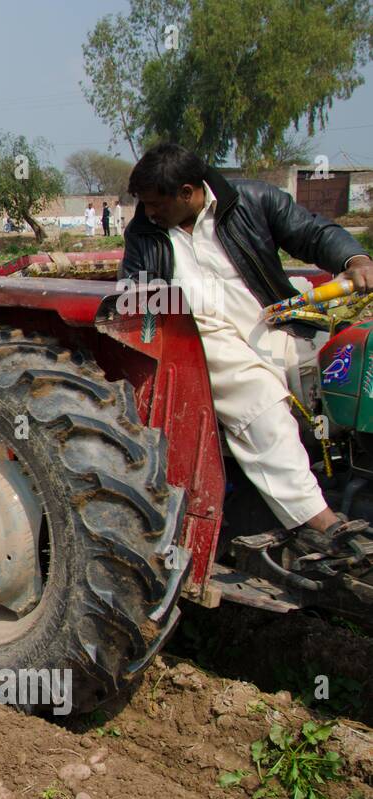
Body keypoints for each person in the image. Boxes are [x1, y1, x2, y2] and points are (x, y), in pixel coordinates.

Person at [122, 142, 373, 554]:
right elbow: (134, 297)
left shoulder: (253, 201)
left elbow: (311, 232)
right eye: (145, 204)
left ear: (188, 192)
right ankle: (317, 519)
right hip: (198, 335)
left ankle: (343, 481)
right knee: (261, 402)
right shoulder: (145, 233)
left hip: (270, 321)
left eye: (156, 203)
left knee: (337, 379)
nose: (149, 212)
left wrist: (355, 259)